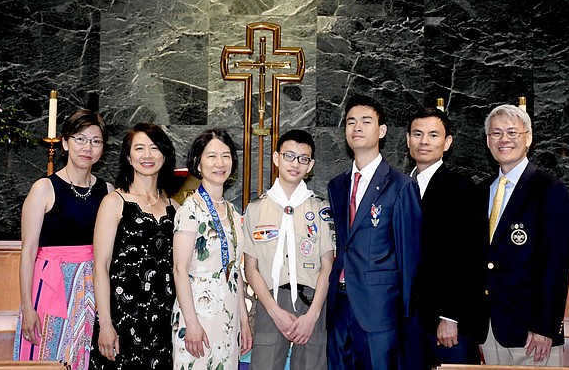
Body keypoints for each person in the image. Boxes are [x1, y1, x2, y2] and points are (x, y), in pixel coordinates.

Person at [326, 94, 423, 369]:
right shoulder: (337, 185)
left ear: (381, 131)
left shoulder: (400, 186)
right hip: (340, 305)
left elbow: (410, 257)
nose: (356, 127)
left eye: (365, 121)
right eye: (351, 122)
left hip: (379, 310)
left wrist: (404, 316)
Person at [14, 109, 113, 370]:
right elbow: (28, 251)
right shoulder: (44, 188)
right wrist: (27, 307)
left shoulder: (108, 192)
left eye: (95, 141)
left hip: (93, 286)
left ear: (102, 148)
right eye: (80, 139)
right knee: (47, 354)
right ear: (66, 143)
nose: (87, 147)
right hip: (51, 285)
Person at [479, 104, 569, 365]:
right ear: (488, 141)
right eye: (496, 133)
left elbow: (557, 263)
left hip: (533, 332)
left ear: (528, 138)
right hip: (488, 329)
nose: (504, 139)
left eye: (512, 132)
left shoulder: (549, 189)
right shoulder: (481, 191)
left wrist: (546, 326)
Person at [243, 129, 335, 370]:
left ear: (311, 165)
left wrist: (313, 315)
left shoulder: (320, 209)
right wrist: (274, 311)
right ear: (276, 158)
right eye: (289, 156)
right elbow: (250, 269)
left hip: (312, 302)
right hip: (271, 301)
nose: (295, 164)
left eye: (303, 158)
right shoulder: (256, 209)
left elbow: (328, 265)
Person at [90, 123, 179, 369]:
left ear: (164, 154)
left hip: (163, 319)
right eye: (139, 148)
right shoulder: (114, 202)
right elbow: (101, 267)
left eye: (154, 148)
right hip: (122, 317)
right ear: (129, 157)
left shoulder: (177, 209)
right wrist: (106, 324)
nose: (147, 155)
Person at [406, 107, 483, 366]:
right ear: (408, 140)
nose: (424, 141)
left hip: (446, 321)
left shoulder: (460, 187)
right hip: (408, 318)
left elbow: (469, 255)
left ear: (447, 142)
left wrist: (451, 316)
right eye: (417, 134)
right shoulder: (401, 188)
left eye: (433, 135)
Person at [171, 129, 252, 370]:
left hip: (228, 315)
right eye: (212, 156)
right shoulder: (190, 210)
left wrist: (244, 321)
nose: (220, 163)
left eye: (226, 156)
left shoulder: (234, 212)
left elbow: (234, 270)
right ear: (198, 162)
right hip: (197, 312)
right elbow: (179, 270)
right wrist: (191, 323)